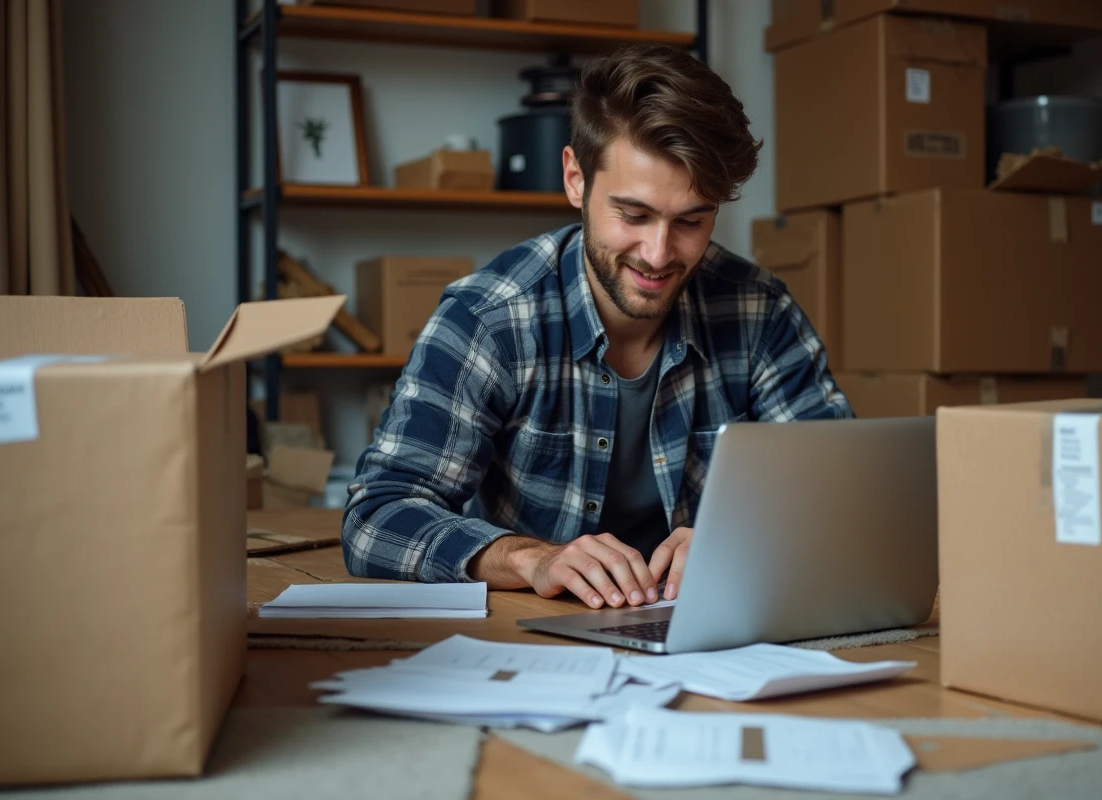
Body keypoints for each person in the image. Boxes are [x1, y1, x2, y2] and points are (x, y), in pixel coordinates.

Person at [342, 43, 853, 611]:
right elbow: (376, 515)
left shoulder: (759, 311)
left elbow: (845, 490)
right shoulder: (490, 320)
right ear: (575, 180)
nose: (659, 254)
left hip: (706, 633)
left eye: (691, 220)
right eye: (633, 215)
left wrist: (749, 536)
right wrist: (529, 558)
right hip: (529, 637)